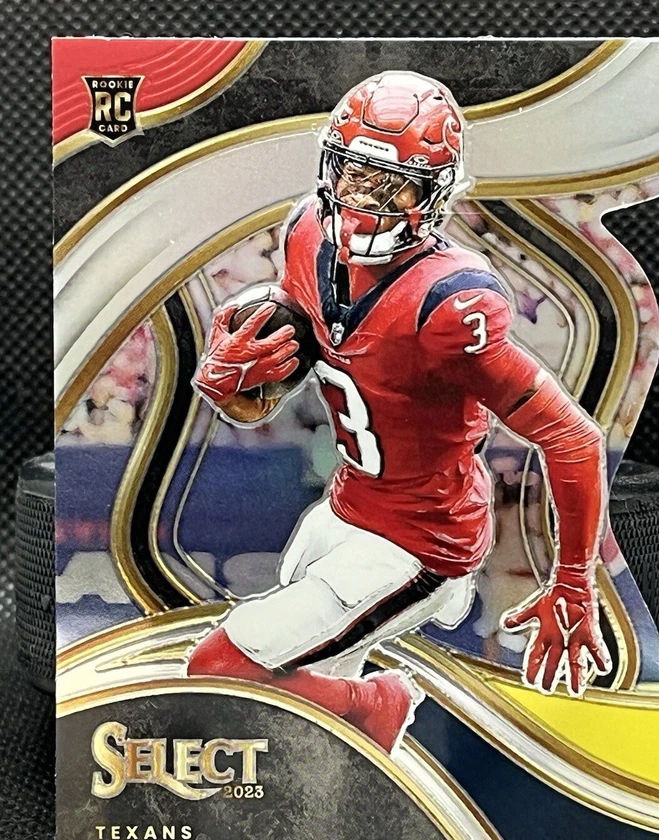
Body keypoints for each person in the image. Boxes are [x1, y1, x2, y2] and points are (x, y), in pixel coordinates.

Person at [189, 71, 611, 752]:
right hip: (344, 509)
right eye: (354, 175)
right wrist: (232, 383)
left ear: (433, 195)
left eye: (392, 185)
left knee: (221, 668)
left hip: (420, 541)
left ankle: (380, 703)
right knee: (304, 718)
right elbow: (274, 390)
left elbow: (572, 437)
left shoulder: (450, 305)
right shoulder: (305, 235)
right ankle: (356, 775)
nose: (362, 201)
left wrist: (572, 581)